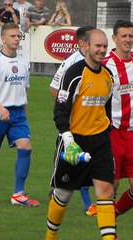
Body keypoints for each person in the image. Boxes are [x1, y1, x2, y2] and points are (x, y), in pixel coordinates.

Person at [42, 29, 131, 240]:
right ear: (85, 47)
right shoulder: (73, 74)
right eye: (97, 46)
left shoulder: (108, 76)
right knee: (63, 193)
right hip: (74, 142)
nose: (102, 50)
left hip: (100, 142)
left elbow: (107, 110)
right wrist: (69, 141)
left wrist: (107, 134)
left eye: (104, 46)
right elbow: (60, 111)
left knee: (106, 191)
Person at [0, 23, 38, 207]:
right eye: (12, 36)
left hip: (18, 113)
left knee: (26, 147)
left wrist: (24, 112)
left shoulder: (23, 62)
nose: (16, 39)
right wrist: (0, 107)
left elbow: (25, 89)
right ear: (3, 38)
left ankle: (18, 194)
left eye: (18, 36)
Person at [101, 20, 133, 240]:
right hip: (113, 133)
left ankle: (113, 215)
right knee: (112, 185)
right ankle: (112, 235)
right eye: (123, 36)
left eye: (131, 35)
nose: (128, 40)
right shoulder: (107, 64)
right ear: (115, 38)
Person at [49, 26, 97, 216]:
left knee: (84, 161)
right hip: (73, 125)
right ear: (84, 43)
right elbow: (54, 88)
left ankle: (85, 204)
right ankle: (85, 205)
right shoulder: (73, 62)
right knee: (74, 160)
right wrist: (68, 113)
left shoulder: (95, 62)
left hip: (91, 123)